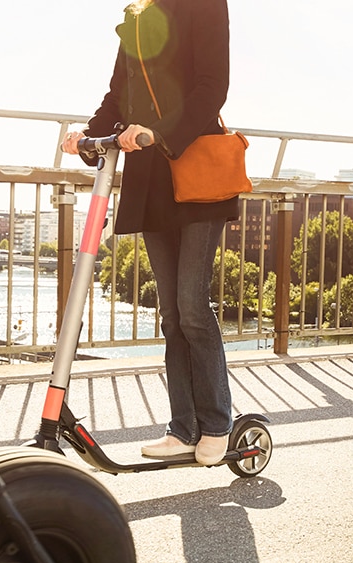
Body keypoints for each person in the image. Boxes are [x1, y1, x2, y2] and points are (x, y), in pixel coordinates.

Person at [61, 0, 239, 466]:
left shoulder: (206, 5)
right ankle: (183, 428)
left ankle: (217, 421)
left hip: (195, 166)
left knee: (192, 307)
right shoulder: (137, 16)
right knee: (171, 315)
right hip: (151, 179)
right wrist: (88, 134)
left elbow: (211, 87)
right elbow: (118, 96)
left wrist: (161, 133)